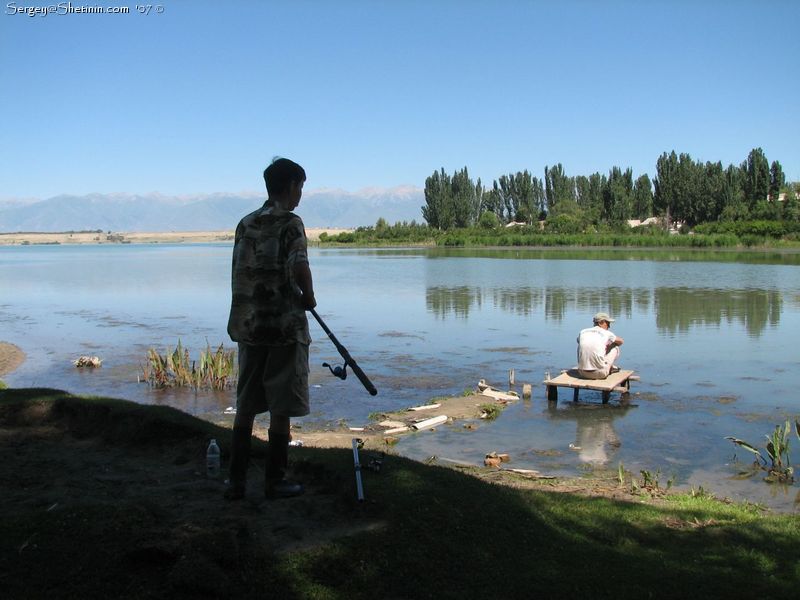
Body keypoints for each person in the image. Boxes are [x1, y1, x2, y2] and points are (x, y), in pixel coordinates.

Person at [225, 157, 316, 500]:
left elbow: (239, 271)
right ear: (291, 186)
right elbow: (300, 267)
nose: (300, 196)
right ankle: (275, 481)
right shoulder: (291, 223)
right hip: (282, 328)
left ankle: (234, 482)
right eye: (300, 188)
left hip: (248, 326)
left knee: (246, 404)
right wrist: (309, 296)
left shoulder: (244, 223)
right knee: (281, 405)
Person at [576, 312, 624, 379]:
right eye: (608, 323)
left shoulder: (583, 331)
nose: (609, 326)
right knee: (615, 347)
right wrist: (609, 345)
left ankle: (588, 365)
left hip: (581, 373)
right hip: (600, 374)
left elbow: (578, 341)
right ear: (601, 322)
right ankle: (610, 367)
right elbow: (621, 341)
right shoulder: (607, 333)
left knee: (581, 344)